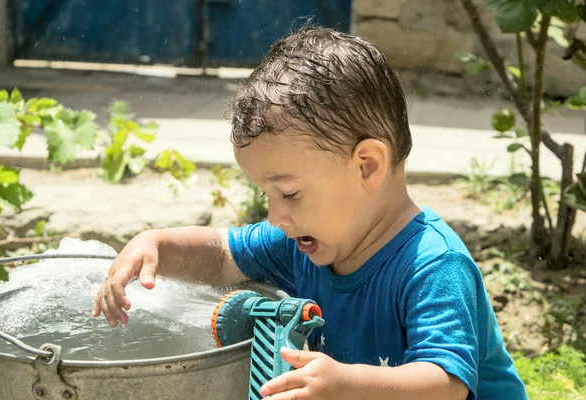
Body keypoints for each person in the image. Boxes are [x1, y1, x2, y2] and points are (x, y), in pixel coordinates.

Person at [92, 26, 527, 399]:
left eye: (290, 193)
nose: (277, 215)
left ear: (367, 166)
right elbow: (222, 253)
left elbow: (446, 384)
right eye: (267, 194)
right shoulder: (304, 241)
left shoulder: (432, 265)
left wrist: (348, 383)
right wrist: (156, 245)